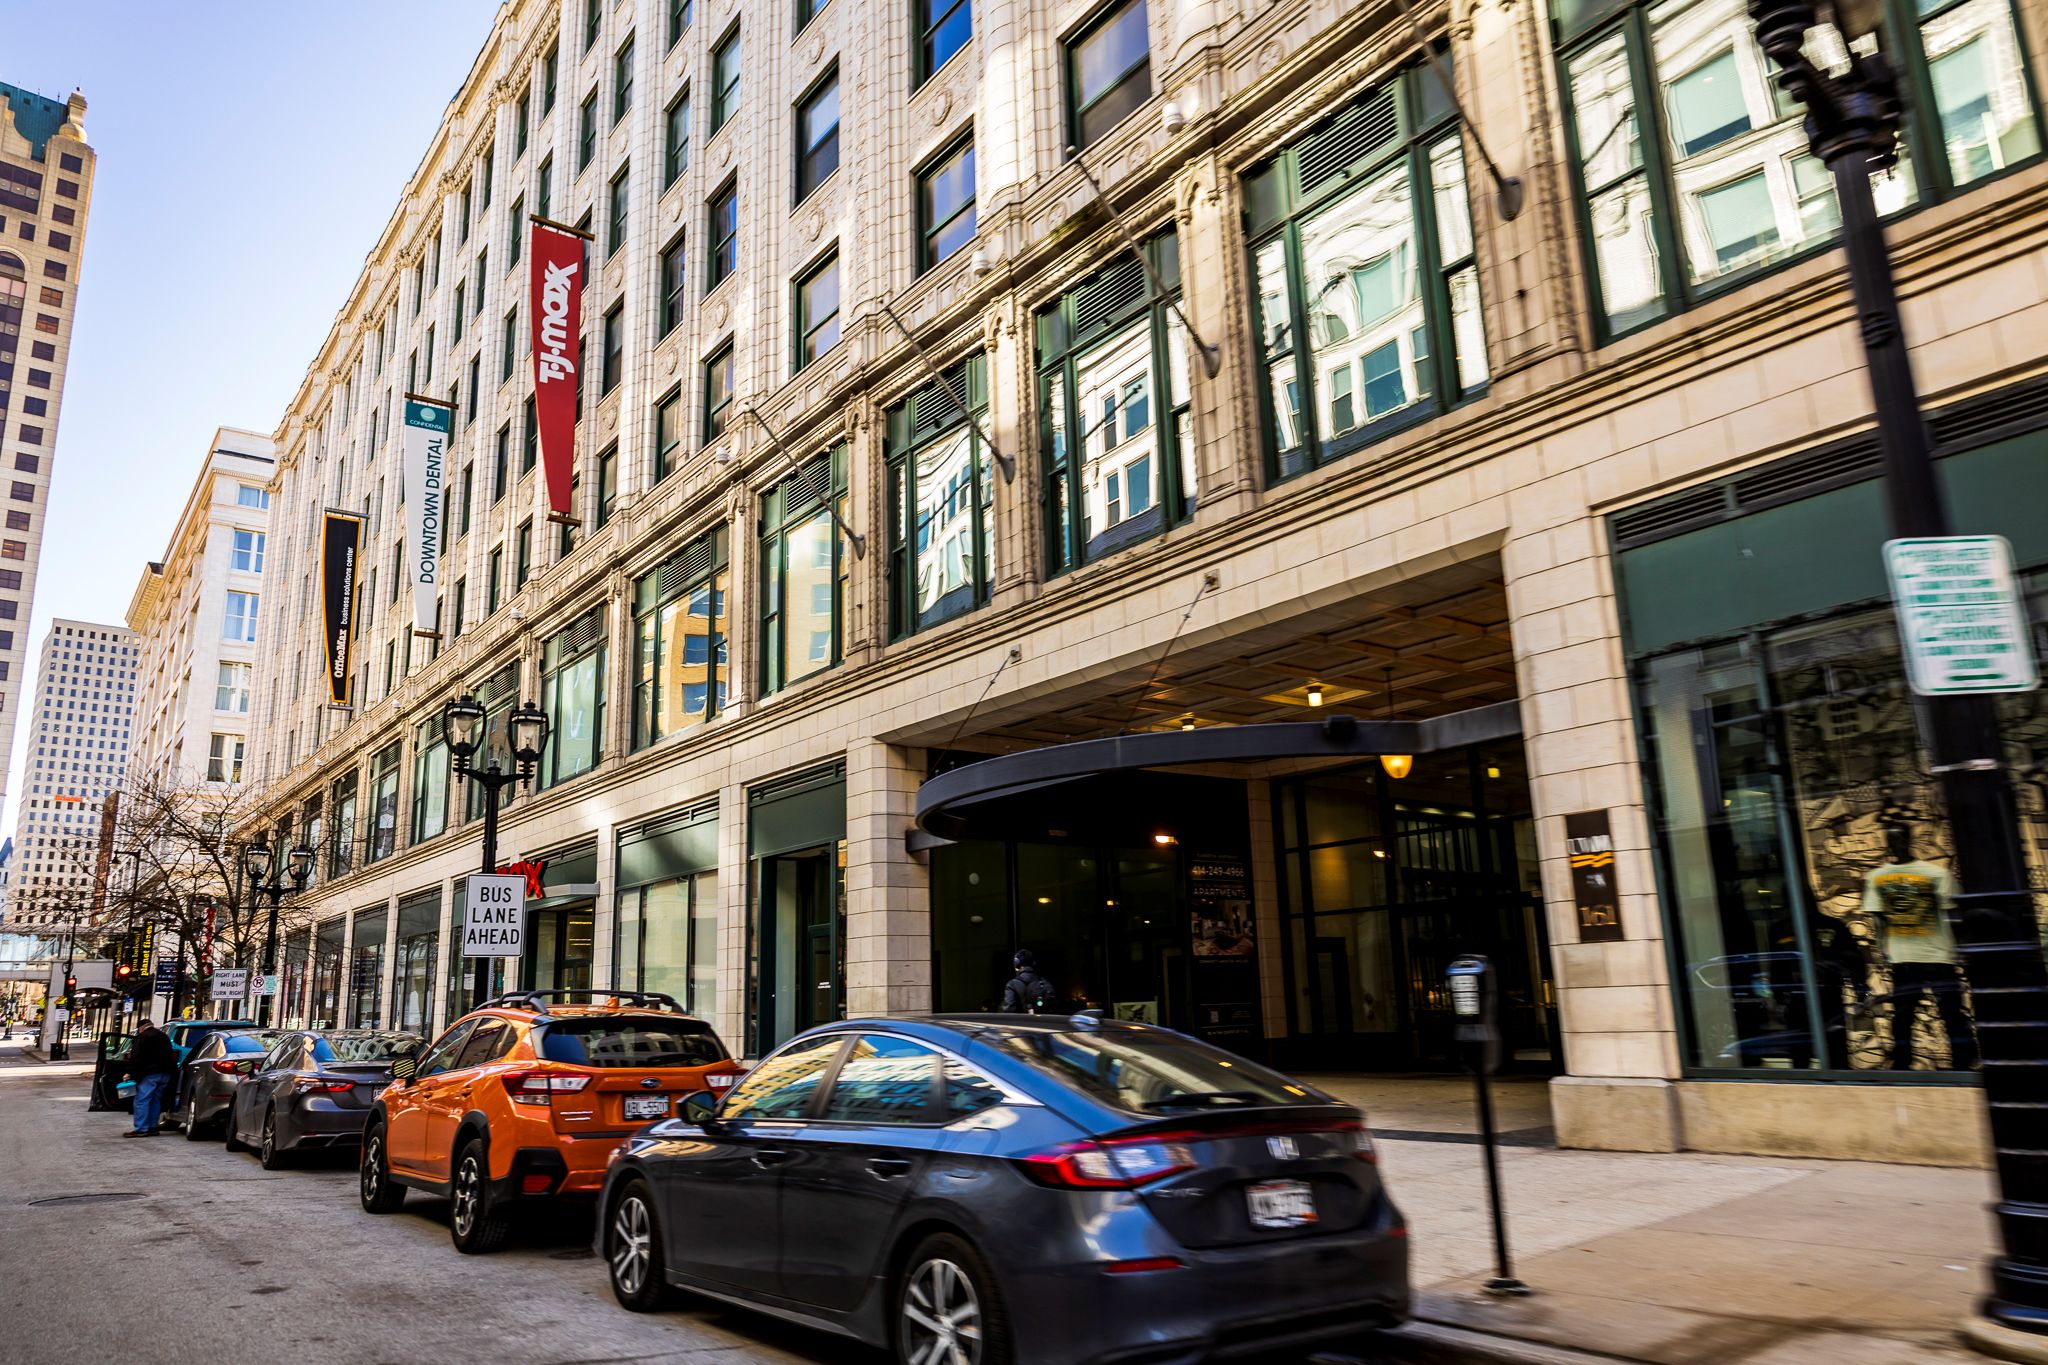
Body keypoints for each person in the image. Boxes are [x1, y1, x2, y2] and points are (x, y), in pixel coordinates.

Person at [1863, 824, 1978, 1072]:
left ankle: (1963, 1060)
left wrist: (1961, 950)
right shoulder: (1876, 878)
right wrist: (1882, 953)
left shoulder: (1936, 874)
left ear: (1908, 840)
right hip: (1903, 957)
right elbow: (1879, 920)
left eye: (1899, 839)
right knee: (1904, 1014)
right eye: (1891, 841)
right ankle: (1902, 1061)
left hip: (1938, 955)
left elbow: (1953, 914)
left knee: (1951, 1012)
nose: (1896, 846)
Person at [123, 1017, 177, 1137]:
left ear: (141, 1028)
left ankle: (141, 1128)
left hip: (149, 1074)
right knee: (155, 1100)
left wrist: (130, 1072)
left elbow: (136, 1057)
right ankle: (153, 1126)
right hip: (165, 1073)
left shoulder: (142, 1037)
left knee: (142, 1100)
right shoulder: (164, 1036)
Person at [1001, 950, 1058, 1014]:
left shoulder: (1012, 984)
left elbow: (1009, 1011)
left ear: (1017, 964)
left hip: (1021, 1023)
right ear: (1034, 963)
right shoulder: (1046, 983)